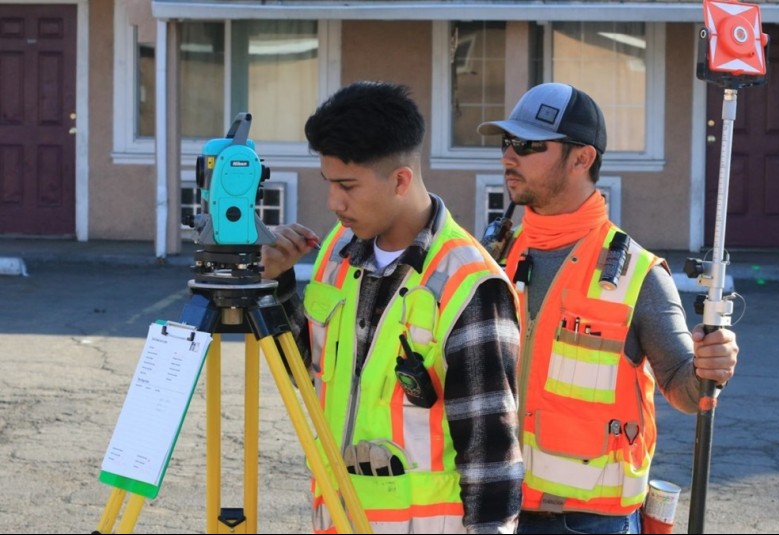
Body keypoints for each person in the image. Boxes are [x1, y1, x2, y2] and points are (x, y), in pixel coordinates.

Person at [476, 82, 740, 534]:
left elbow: (685, 389)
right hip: (492, 510)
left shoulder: (638, 274)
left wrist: (711, 367)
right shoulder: (490, 259)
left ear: (582, 159)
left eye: (527, 145)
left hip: (588, 523)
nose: (508, 157)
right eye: (507, 142)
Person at [261, 81, 523, 534]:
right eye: (328, 183)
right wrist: (278, 285)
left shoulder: (469, 282)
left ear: (401, 180)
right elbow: (306, 374)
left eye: (347, 186)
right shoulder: (336, 253)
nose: (333, 202)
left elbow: (491, 457)